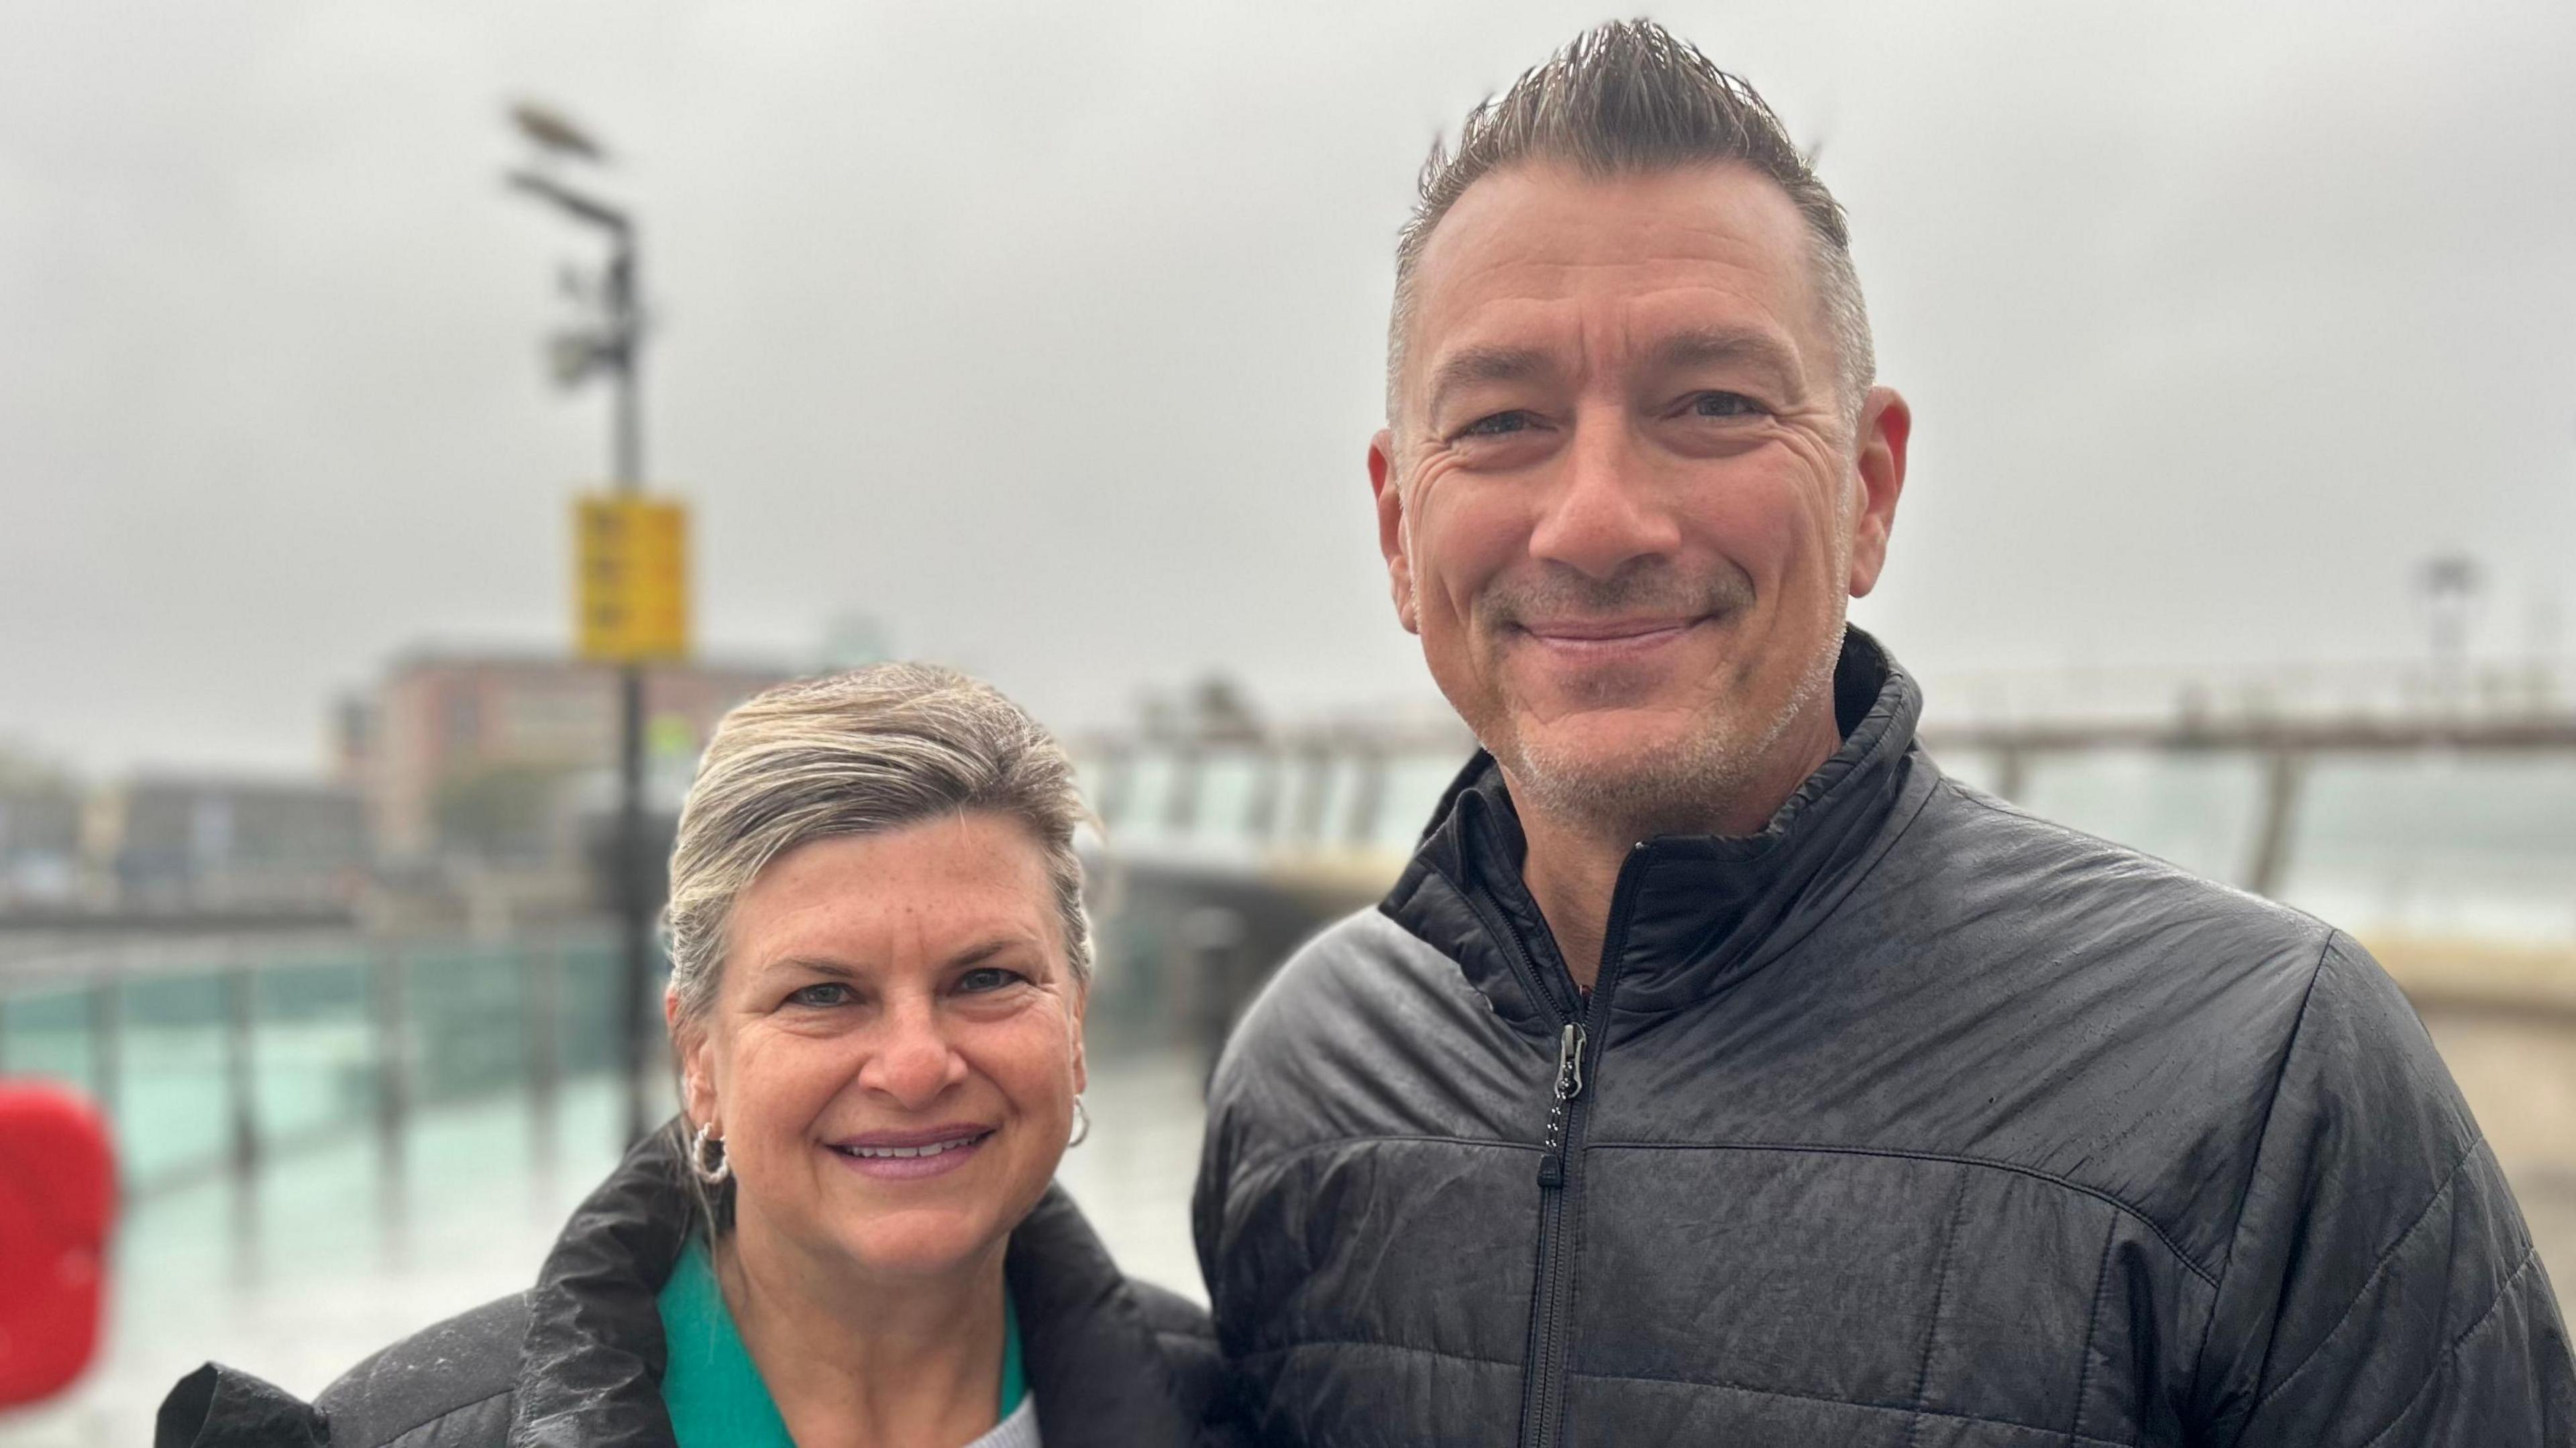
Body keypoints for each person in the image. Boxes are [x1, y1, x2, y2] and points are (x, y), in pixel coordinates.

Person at [1193, 19, 2575, 1447]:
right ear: (1396, 527)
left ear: (1868, 487)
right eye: (1500, 422)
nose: (1598, 519)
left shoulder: (2263, 1081)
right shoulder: (1302, 1084)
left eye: (1715, 404)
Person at [162, 664, 1225, 1448]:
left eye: (987, 980)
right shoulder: (397, 1435)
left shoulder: (1239, 1409)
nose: (913, 1066)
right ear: (700, 1058)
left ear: (1075, 1024)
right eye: (823, 995)